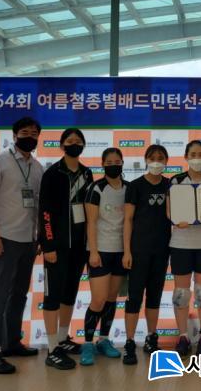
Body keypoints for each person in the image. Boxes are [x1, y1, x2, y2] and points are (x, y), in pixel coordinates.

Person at [0, 117, 44, 374]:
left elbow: (37, 205)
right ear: (15, 135)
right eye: (25, 132)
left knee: (18, 295)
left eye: (34, 133)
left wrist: (38, 236)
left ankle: (11, 343)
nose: (30, 136)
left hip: (28, 240)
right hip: (5, 238)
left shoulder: (37, 168)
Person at [38, 128, 94, 370]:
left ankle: (63, 339)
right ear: (62, 146)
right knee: (52, 296)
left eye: (78, 141)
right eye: (70, 141)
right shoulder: (52, 174)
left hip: (80, 246)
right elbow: (45, 212)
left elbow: (90, 210)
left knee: (69, 293)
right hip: (57, 247)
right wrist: (48, 244)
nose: (74, 144)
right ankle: (52, 349)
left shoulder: (87, 173)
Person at [168, 141, 201, 357]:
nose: (197, 158)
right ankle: (183, 336)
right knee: (181, 293)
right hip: (180, 244)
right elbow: (169, 211)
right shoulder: (176, 181)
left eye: (200, 154)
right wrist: (175, 219)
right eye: (193, 154)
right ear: (186, 157)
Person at [122, 144, 171, 365]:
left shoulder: (170, 185)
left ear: (167, 161)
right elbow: (128, 220)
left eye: (161, 158)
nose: (156, 161)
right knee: (134, 297)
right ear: (146, 160)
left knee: (154, 296)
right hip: (138, 251)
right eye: (152, 158)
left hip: (162, 250)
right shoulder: (135, 186)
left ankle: (151, 338)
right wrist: (127, 251)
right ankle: (130, 342)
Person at [80, 148, 129, 366]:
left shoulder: (129, 188)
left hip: (121, 252)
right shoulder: (96, 188)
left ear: (122, 163)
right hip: (100, 251)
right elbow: (90, 222)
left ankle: (104, 339)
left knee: (111, 299)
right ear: (102, 164)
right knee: (98, 300)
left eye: (117, 161)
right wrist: (93, 251)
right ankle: (87, 343)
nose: (113, 165)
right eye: (109, 162)